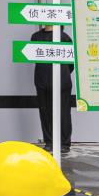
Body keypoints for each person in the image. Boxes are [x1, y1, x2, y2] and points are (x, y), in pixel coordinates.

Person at [32, 24, 73, 153]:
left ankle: (64, 143)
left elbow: (71, 63)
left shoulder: (64, 37)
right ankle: (49, 142)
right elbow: (33, 57)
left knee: (63, 113)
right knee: (45, 112)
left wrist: (63, 74)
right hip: (41, 80)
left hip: (62, 81)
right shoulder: (36, 37)